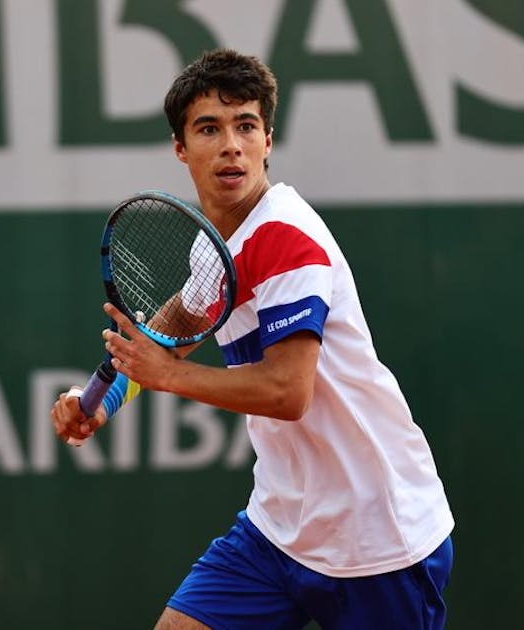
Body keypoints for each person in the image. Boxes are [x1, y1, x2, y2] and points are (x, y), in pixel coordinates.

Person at [51, 48, 454, 630]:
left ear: (268, 141)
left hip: (379, 536)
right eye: (209, 129)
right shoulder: (214, 244)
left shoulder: (288, 239)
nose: (230, 145)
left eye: (246, 126)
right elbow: (172, 338)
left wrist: (168, 376)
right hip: (279, 530)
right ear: (180, 148)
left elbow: (289, 393)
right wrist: (99, 401)